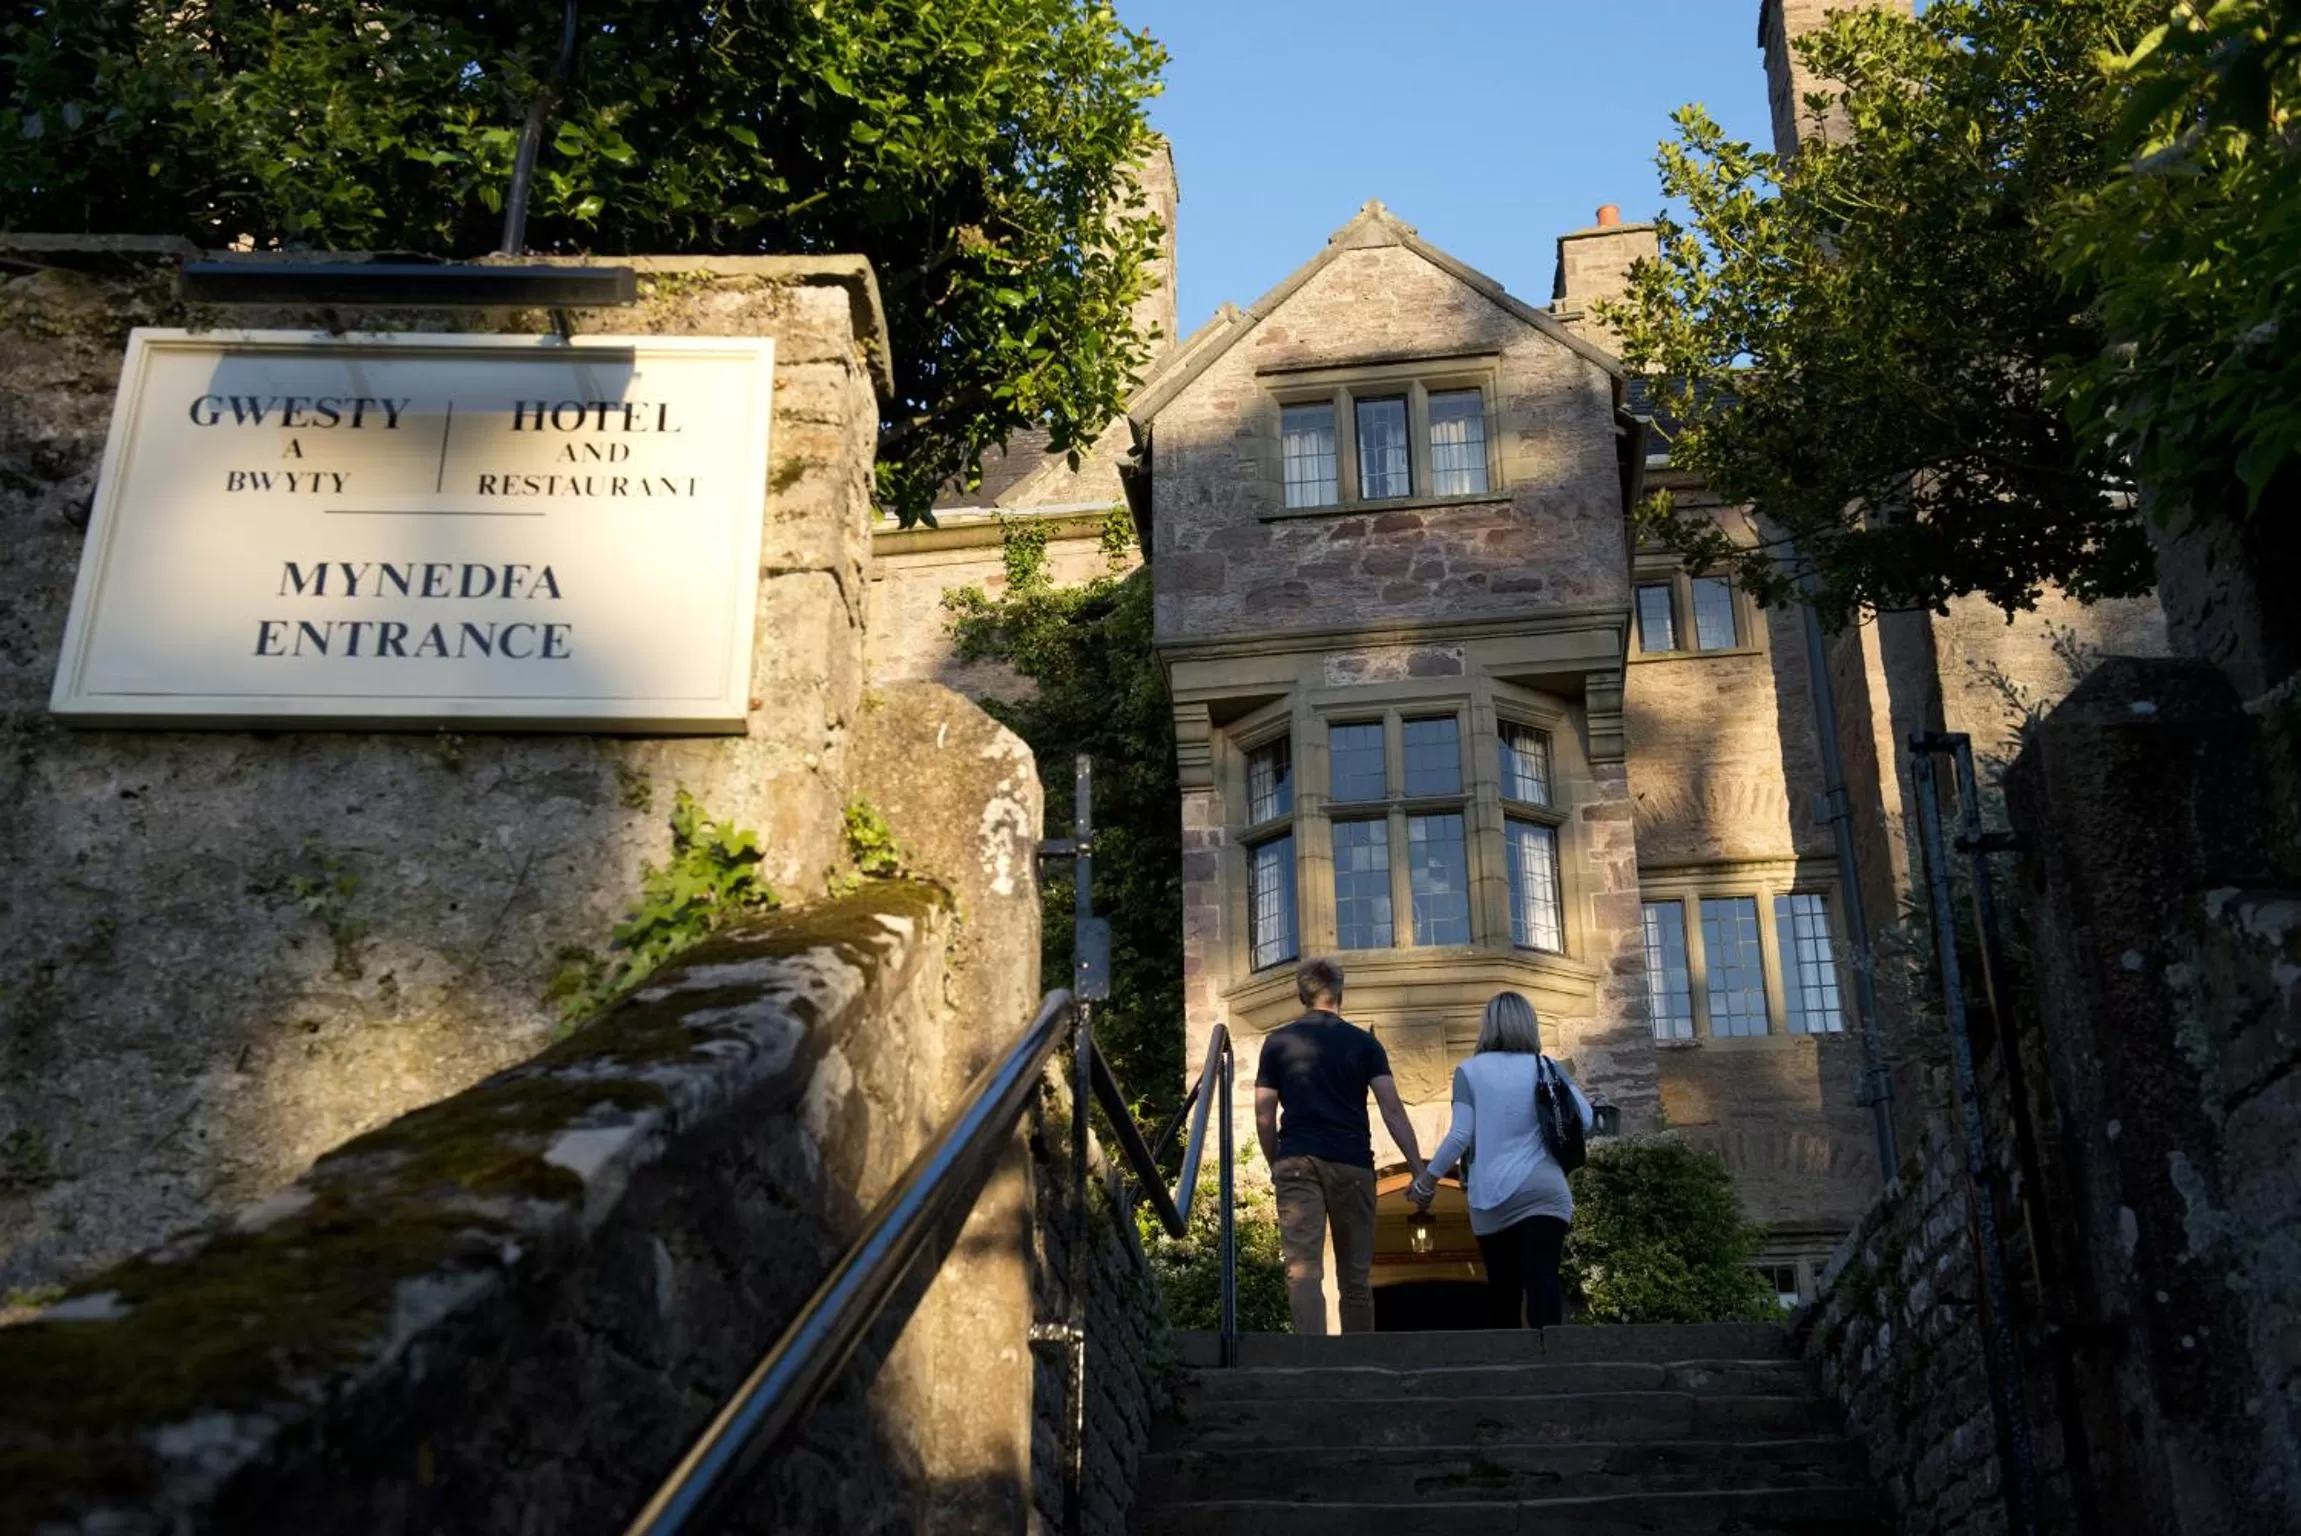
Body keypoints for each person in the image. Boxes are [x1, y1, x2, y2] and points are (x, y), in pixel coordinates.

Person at [1254, 956, 1427, 1335]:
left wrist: (1276, 1162)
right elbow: (1392, 1109)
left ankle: (1312, 1358)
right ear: (1339, 993)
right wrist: (1417, 1167)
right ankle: (1358, 1357)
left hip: (1297, 1160)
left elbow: (1264, 1114)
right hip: (1352, 1162)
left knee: (1302, 1270)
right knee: (1355, 1276)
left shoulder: (1277, 1043)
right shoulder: (1364, 1044)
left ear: (1302, 995)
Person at [1409, 990, 1593, 1329]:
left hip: (1492, 1198)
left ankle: (1511, 1359)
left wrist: (1427, 1180)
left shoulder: (1469, 1072)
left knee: (1505, 1293)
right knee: (1543, 1279)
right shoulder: (1547, 1067)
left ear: (1488, 1026)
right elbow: (1585, 1118)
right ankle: (1552, 1356)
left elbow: (1460, 1135)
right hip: (1544, 1189)